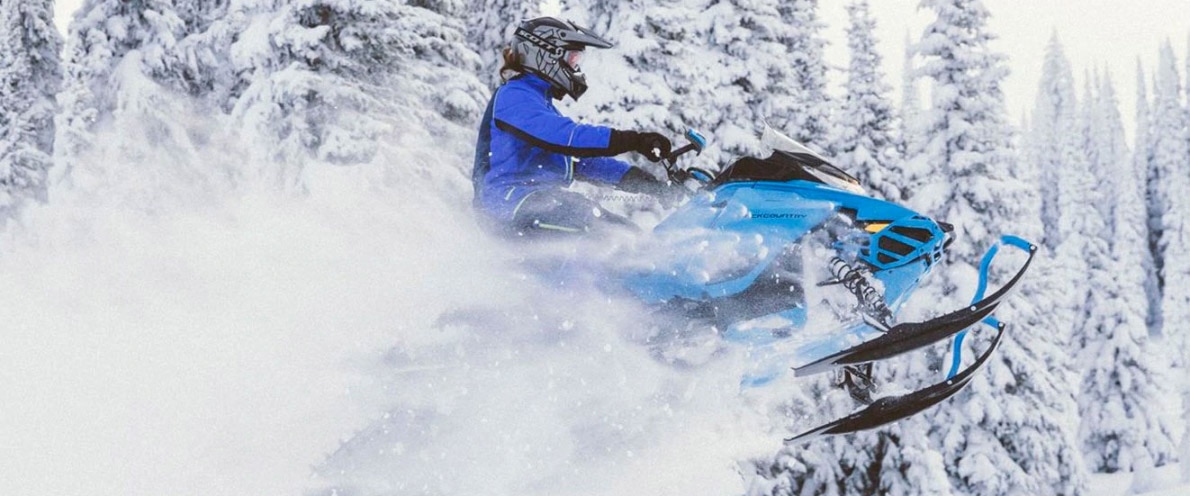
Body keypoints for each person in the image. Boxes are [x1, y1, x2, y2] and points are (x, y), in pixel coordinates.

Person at [472, 17, 678, 238]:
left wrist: (647, 183)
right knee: (599, 229)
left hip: (535, 200)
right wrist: (634, 141)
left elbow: (580, 162)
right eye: (572, 59)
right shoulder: (514, 96)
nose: (575, 68)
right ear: (546, 54)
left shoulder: (540, 104)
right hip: (508, 203)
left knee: (629, 233)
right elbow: (566, 138)